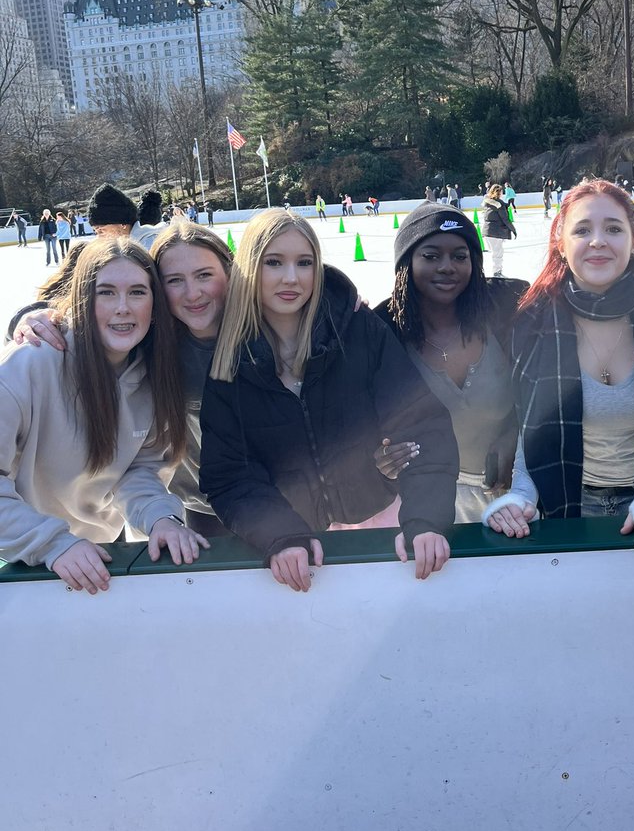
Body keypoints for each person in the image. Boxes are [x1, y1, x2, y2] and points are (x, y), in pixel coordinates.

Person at [199, 210, 457, 591]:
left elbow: (420, 424)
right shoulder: (229, 363)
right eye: (274, 262)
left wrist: (425, 519)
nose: (292, 277)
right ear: (250, 268)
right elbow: (231, 474)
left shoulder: (358, 330)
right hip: (296, 545)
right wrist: (280, 535)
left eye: (304, 263)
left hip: (387, 522)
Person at [486, 180, 634, 555]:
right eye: (582, 230)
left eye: (613, 228)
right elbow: (530, 429)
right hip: (568, 503)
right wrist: (520, 497)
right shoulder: (532, 321)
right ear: (561, 243)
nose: (598, 241)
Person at [0, 239, 208, 592]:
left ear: (155, 306)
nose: (123, 308)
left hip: (99, 558)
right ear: (83, 299)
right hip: (22, 559)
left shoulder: (155, 376)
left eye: (138, 293)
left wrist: (162, 518)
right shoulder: (28, 366)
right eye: (106, 293)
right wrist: (52, 543)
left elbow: (140, 470)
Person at [374, 204, 528, 522]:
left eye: (460, 256)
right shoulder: (381, 330)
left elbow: (548, 391)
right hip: (429, 499)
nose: (447, 267)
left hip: (513, 492)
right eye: (431, 256)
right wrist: (380, 456)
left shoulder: (506, 308)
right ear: (406, 262)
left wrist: (517, 437)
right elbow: (359, 419)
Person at [87, 183, 159, 250]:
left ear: (123, 224)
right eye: (95, 232)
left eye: (101, 231)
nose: (99, 238)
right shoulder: (123, 247)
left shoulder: (149, 245)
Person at [481, 183, 517, 276]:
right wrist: (513, 229)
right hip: (495, 232)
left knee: (494, 253)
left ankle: (494, 271)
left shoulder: (487, 202)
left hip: (486, 231)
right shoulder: (499, 204)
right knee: (498, 253)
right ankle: (497, 272)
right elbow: (505, 218)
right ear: (499, 193)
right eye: (501, 192)